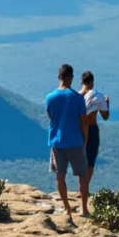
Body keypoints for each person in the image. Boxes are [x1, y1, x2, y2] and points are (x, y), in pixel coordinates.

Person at [46, 64, 90, 220]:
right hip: (76, 141)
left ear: (59, 77)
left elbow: (51, 117)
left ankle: (67, 209)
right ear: (71, 78)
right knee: (82, 176)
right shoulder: (78, 98)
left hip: (57, 141)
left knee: (60, 176)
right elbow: (83, 121)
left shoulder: (50, 97)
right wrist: (84, 139)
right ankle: (84, 209)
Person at [80, 71, 109, 188]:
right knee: (90, 160)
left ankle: (81, 187)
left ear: (81, 82)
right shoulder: (98, 96)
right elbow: (105, 116)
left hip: (78, 129)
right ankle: (85, 188)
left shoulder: (76, 96)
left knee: (80, 159)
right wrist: (107, 103)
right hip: (92, 128)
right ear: (92, 82)